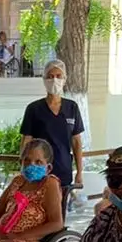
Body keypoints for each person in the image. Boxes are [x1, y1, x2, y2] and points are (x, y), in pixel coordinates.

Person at [19, 60, 85, 218]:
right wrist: (23, 167)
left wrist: (79, 172)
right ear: (44, 79)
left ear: (64, 79)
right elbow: (26, 140)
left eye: (58, 76)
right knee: (38, 213)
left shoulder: (72, 108)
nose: (54, 80)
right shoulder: (34, 109)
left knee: (59, 215)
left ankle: (58, 235)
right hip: (39, 170)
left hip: (63, 170)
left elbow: (76, 142)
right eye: (50, 76)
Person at [0, 138, 64, 242]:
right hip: (2, 234)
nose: (31, 165)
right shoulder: (17, 181)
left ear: (48, 168)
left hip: (28, 241)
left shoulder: (50, 184)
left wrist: (18, 236)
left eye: (38, 162)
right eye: (27, 160)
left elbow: (56, 223)